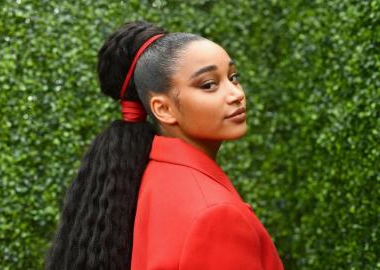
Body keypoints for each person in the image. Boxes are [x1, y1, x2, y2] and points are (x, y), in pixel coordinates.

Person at [44, 21, 284, 270]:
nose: (236, 94)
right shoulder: (216, 215)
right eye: (208, 84)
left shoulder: (143, 174)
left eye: (233, 78)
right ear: (164, 109)